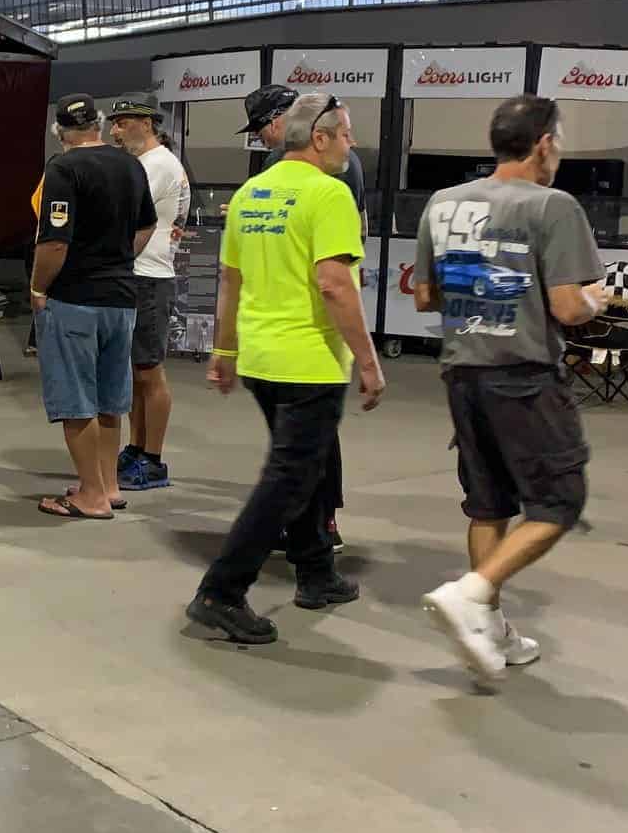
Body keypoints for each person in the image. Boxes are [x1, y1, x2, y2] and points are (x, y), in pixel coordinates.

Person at [412, 95, 608, 681]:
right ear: (544, 143)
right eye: (560, 142)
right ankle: (472, 593)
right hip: (523, 377)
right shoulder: (554, 206)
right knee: (559, 502)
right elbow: (568, 308)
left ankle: (488, 629)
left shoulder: (443, 203)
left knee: (489, 504)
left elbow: (424, 295)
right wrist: (596, 299)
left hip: (462, 373)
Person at [187, 93, 382, 643]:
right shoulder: (329, 194)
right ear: (319, 138)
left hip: (260, 357)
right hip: (308, 361)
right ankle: (221, 591)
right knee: (289, 478)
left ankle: (316, 573)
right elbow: (335, 284)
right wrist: (369, 363)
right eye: (345, 134)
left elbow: (231, 281)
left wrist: (225, 352)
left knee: (308, 467)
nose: (351, 144)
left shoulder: (251, 193)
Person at [243, 81, 365, 551]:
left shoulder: (320, 171)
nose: (261, 136)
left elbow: (330, 271)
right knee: (303, 438)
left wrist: (367, 359)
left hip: (303, 325)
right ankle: (310, 529)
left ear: (284, 119)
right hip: (296, 324)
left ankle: (315, 526)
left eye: (262, 126)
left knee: (307, 439)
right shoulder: (323, 165)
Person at [31, 95, 155, 521]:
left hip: (75, 298)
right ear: (99, 124)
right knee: (110, 398)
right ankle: (108, 485)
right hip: (121, 298)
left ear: (59, 131)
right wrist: (118, 258)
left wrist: (38, 287)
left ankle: (90, 495)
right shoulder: (131, 165)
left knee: (76, 400)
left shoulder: (63, 169)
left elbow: (53, 242)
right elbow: (147, 224)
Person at [106, 96, 189, 492]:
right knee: (138, 372)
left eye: (122, 123)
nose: (115, 131)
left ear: (146, 123)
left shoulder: (157, 165)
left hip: (150, 278)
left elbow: (122, 212)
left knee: (149, 371)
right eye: (114, 123)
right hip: (138, 275)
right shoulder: (146, 163)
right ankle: (137, 447)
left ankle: (153, 459)